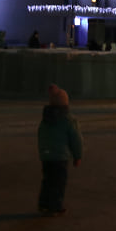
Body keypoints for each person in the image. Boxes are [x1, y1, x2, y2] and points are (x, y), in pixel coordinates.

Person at [37, 84, 83, 216]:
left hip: (46, 157)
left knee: (47, 180)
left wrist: (43, 151)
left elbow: (41, 135)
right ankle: (55, 205)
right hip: (60, 157)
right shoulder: (69, 120)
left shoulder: (45, 120)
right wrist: (77, 156)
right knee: (58, 183)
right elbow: (76, 139)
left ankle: (44, 203)